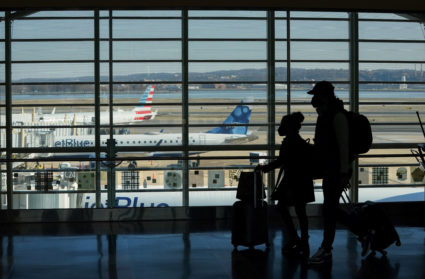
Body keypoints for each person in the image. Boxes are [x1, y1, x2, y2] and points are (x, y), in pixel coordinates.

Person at [257, 112, 314, 259]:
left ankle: (295, 238)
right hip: (302, 180)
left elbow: (281, 161)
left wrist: (265, 168)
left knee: (282, 208)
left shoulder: (290, 142)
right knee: (301, 211)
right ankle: (303, 239)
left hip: (292, 181)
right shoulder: (298, 140)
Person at [307, 81, 351, 265]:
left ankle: (326, 248)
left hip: (336, 171)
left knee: (330, 210)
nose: (313, 99)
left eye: (316, 95)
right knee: (331, 208)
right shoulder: (326, 115)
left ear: (324, 96)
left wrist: (343, 172)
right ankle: (365, 233)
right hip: (331, 170)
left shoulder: (336, 116)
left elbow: (343, 146)